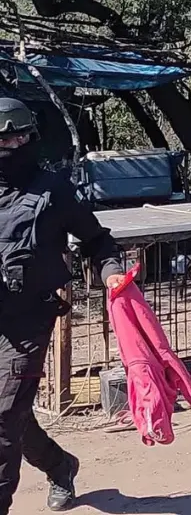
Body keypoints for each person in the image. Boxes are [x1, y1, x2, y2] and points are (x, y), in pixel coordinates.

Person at [0, 98, 123, 513]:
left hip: (28, 321)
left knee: (1, 419)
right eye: (3, 139)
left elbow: (98, 241)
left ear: (31, 138)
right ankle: (60, 465)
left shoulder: (53, 192)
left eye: (18, 137)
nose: (10, 145)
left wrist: (111, 275)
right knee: (10, 415)